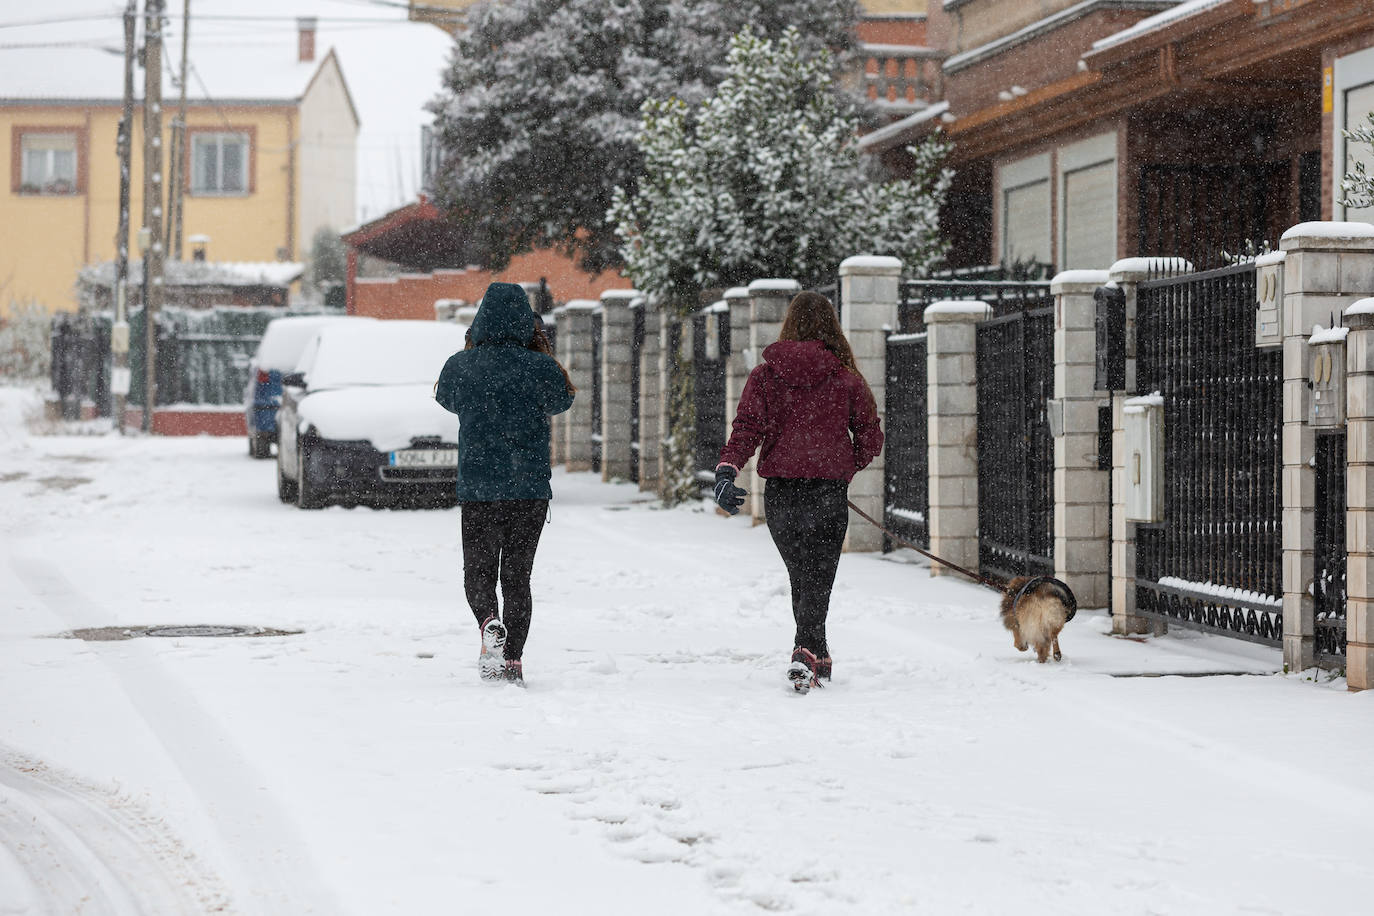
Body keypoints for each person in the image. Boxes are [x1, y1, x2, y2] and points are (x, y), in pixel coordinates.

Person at [713, 291, 883, 693]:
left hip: (782, 494)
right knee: (816, 575)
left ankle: (813, 651)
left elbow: (747, 428)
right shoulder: (845, 377)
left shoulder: (765, 376)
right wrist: (845, 465)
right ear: (831, 326)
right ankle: (806, 649)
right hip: (827, 491)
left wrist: (727, 470)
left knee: (803, 575)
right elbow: (870, 436)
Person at [435, 282, 576, 685]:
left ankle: (487, 622)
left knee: (478, 571)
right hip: (528, 488)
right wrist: (539, 352)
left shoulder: (460, 366)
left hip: (479, 487)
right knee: (517, 577)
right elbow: (562, 401)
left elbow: (446, 398)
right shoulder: (540, 368)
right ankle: (511, 661)